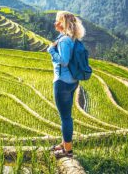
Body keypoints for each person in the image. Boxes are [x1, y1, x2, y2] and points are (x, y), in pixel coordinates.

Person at [46, 11, 86, 158]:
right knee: (67, 116)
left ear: (62, 23)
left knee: (65, 118)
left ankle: (67, 151)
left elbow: (64, 61)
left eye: (57, 21)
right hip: (72, 82)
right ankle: (64, 144)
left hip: (62, 82)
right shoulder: (72, 38)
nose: (55, 23)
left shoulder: (63, 40)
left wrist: (51, 51)